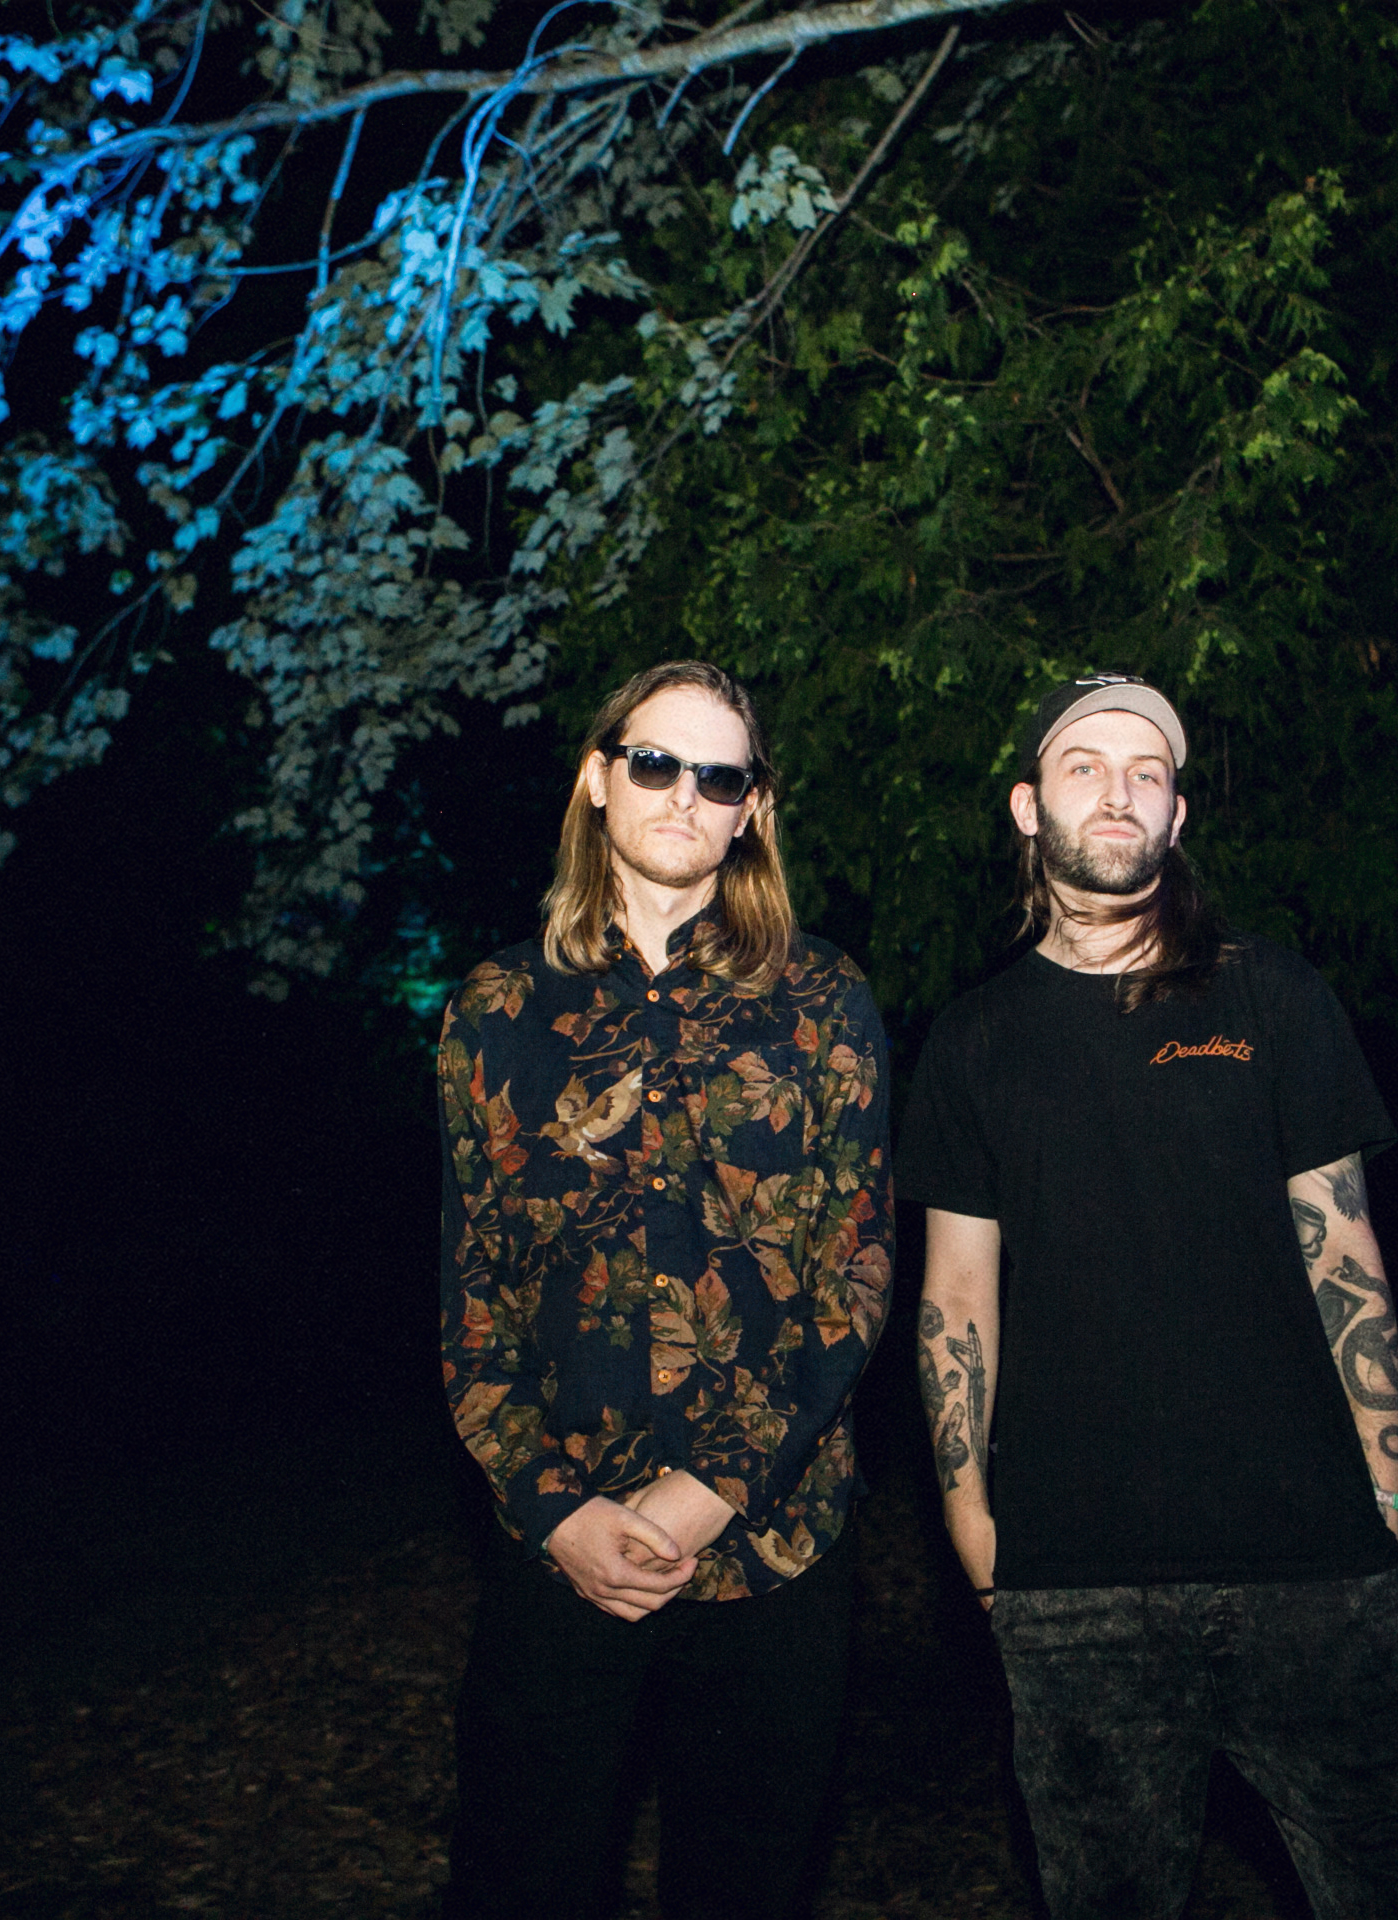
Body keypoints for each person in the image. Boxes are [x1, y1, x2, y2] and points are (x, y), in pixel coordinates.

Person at [901, 672, 1398, 1918]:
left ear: (1178, 813)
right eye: (1085, 767)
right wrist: (972, 1523)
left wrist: (1390, 1488)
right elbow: (955, 1298)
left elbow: (1345, 1253)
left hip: (1312, 1568)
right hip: (1074, 1585)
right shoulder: (975, 1039)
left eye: (1146, 773)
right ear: (1027, 806)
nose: (1119, 793)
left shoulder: (1273, 995)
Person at [433, 660, 894, 1920]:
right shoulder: (495, 1009)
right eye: (655, 763)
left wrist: (711, 1492)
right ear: (599, 778)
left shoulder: (824, 1000)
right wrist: (555, 1512)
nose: (685, 795)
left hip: (773, 1551)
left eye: (720, 777)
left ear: (752, 812)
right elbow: (473, 1298)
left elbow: (854, 1279)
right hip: (561, 1550)